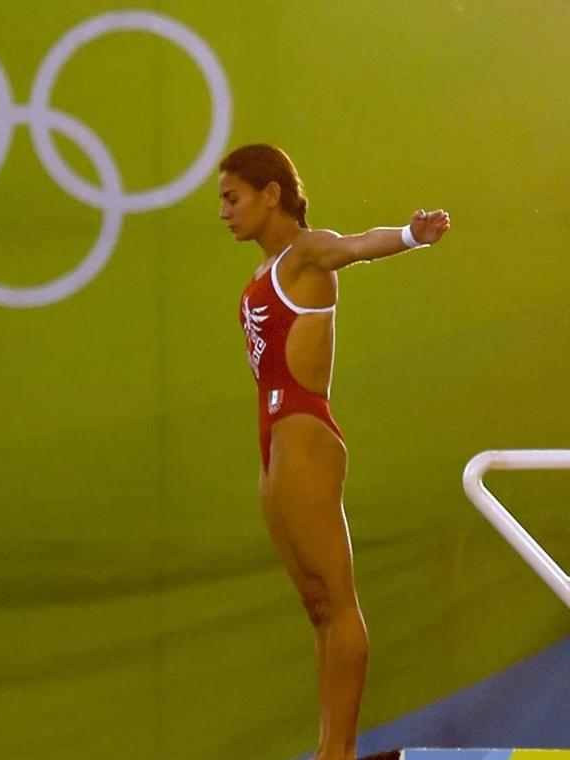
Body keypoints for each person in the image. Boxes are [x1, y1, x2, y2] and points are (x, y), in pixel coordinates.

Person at [217, 144, 450, 760]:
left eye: (232, 197)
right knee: (316, 605)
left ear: (271, 193)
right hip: (272, 439)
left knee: (339, 602)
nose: (223, 212)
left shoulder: (306, 252)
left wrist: (409, 234)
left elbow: (354, 245)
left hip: (303, 431)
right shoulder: (264, 272)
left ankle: (338, 753)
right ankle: (330, 748)